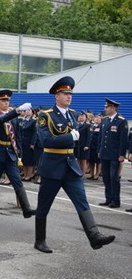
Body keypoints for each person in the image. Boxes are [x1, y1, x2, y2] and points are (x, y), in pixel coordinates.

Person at [34, 76, 115, 253]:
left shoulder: (73, 115)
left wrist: (70, 140)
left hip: (70, 166)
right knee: (44, 205)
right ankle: (40, 240)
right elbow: (46, 141)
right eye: (65, 93)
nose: (69, 96)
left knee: (82, 201)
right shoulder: (45, 116)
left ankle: (94, 236)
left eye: (70, 93)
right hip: (52, 166)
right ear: (56, 95)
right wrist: (69, 137)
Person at [0, 90, 35, 221]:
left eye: (7, 101)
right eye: (3, 101)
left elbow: (17, 135)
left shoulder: (13, 116)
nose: (6, 103)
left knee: (17, 181)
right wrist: (17, 110)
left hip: (10, 153)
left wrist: (19, 154)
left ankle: (26, 209)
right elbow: (0, 120)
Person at [97, 98, 128, 208]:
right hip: (105, 153)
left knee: (113, 177)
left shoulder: (121, 121)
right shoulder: (105, 120)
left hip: (114, 155)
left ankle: (116, 201)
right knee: (105, 177)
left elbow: (123, 140)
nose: (105, 109)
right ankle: (108, 198)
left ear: (113, 108)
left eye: (107, 107)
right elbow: (101, 138)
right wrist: (99, 151)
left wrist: (121, 155)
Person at [75, 111, 92, 178]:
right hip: (77, 146)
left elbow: (89, 136)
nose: (81, 117)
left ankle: (82, 175)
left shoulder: (87, 125)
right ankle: (78, 173)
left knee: (83, 161)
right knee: (78, 160)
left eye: (83, 116)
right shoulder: (76, 125)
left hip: (84, 146)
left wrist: (87, 145)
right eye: (80, 116)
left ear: (85, 118)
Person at [87, 113, 102, 180]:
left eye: (98, 118)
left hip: (97, 146)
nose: (97, 119)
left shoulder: (102, 127)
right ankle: (91, 174)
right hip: (91, 146)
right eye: (96, 118)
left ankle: (97, 174)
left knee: (98, 162)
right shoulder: (91, 126)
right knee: (91, 161)